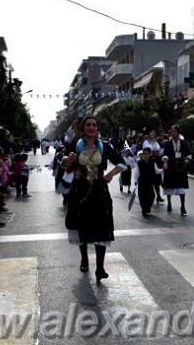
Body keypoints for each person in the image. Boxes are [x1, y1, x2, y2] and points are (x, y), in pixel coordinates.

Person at [63, 116, 126, 283]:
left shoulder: (104, 147)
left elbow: (122, 162)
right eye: (88, 125)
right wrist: (67, 160)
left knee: (101, 228)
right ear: (83, 128)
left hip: (99, 191)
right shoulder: (75, 146)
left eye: (94, 125)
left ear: (97, 129)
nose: (91, 127)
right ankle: (84, 259)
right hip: (79, 190)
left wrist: (111, 174)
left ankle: (100, 267)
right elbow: (61, 163)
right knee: (81, 225)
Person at [161, 125, 192, 215]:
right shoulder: (167, 143)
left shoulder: (183, 143)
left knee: (182, 188)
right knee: (169, 186)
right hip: (171, 167)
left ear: (178, 132)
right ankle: (169, 202)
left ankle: (182, 206)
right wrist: (165, 162)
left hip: (181, 167)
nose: (173, 133)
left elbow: (189, 153)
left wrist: (187, 160)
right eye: (172, 131)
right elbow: (165, 154)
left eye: (175, 131)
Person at [134, 147, 163, 216]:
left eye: (147, 153)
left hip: (150, 183)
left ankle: (147, 207)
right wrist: (135, 181)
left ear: (150, 154)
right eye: (144, 153)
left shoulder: (153, 163)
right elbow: (136, 173)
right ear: (143, 154)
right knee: (142, 197)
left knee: (151, 196)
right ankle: (144, 209)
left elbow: (157, 171)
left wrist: (163, 169)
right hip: (142, 183)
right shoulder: (139, 163)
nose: (146, 155)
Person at [142, 129, 164, 203]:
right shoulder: (145, 142)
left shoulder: (157, 142)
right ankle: (149, 196)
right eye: (151, 132)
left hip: (157, 162)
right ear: (148, 134)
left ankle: (158, 196)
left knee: (157, 180)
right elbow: (144, 152)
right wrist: (153, 153)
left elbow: (161, 151)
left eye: (154, 132)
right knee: (149, 180)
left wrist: (159, 153)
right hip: (148, 162)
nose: (153, 134)